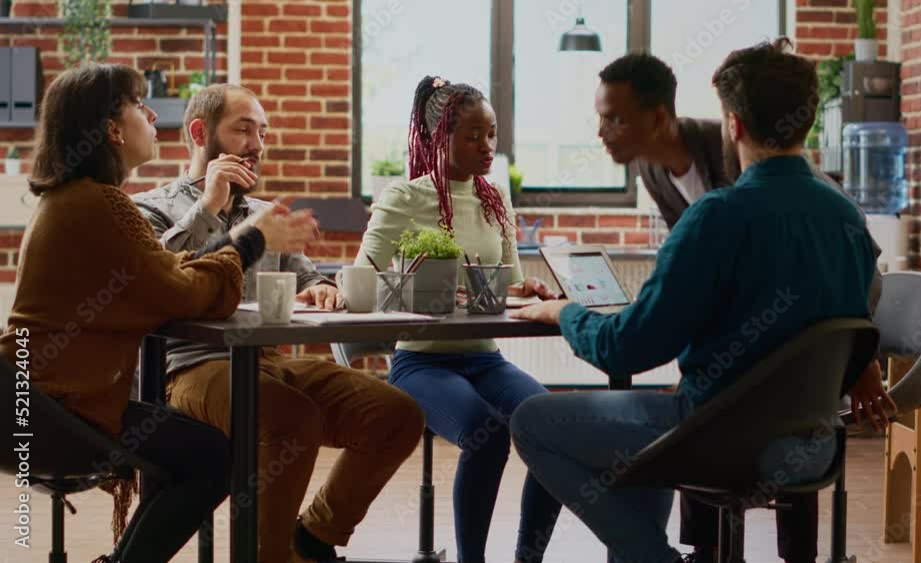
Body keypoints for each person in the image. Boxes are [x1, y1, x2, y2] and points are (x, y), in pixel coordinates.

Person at [509, 39, 880, 563]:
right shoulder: (849, 219)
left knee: (531, 420)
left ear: (734, 125)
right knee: (633, 441)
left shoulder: (716, 215)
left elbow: (626, 349)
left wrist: (562, 311)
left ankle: (651, 556)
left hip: (718, 441)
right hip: (812, 448)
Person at [131, 84, 426, 563]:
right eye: (243, 129)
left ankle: (310, 539)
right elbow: (158, 280)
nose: (257, 144)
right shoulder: (151, 208)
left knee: (397, 415)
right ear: (200, 133)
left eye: (262, 132)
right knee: (290, 420)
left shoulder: (269, 215)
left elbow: (309, 279)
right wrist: (208, 206)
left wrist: (321, 290)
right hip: (187, 370)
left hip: (265, 362)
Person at [0, 64, 264, 563]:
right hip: (53, 411)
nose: (151, 114)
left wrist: (214, 257)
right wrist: (244, 247)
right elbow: (179, 292)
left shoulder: (76, 200)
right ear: (113, 129)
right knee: (210, 457)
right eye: (140, 105)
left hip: (32, 403)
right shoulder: (101, 205)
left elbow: (160, 270)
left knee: (197, 452)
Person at [355, 75, 562, 563]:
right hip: (421, 365)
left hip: (485, 360)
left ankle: (528, 558)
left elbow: (505, 282)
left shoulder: (496, 199)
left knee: (552, 425)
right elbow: (364, 276)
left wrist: (524, 288)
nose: (486, 146)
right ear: (438, 138)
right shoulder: (403, 198)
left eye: (491, 134)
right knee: (487, 435)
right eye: (472, 136)